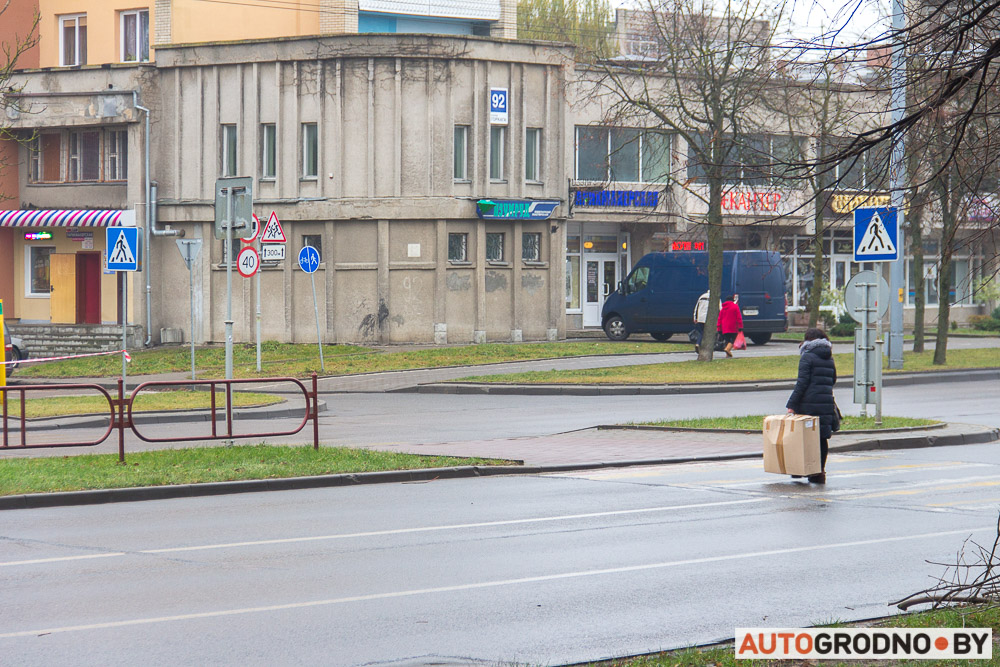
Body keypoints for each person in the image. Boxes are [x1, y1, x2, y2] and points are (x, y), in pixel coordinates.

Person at [786, 328, 838, 484]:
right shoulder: (829, 358)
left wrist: (792, 404)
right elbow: (833, 379)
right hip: (826, 403)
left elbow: (802, 383)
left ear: (808, 341)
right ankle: (819, 472)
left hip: (808, 404)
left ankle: (800, 469)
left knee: (804, 438)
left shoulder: (807, 357)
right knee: (821, 438)